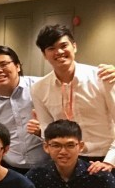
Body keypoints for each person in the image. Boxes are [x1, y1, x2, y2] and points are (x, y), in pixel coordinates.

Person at [31, 24, 115, 171]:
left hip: (107, 157)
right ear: (44, 54)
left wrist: (110, 161)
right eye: (51, 48)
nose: (59, 52)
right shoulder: (39, 88)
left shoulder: (101, 77)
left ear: (74, 46)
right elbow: (47, 128)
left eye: (63, 46)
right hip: (68, 161)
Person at [0, 46, 48, 173]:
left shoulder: (41, 87)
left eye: (3, 64)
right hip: (9, 169)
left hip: (51, 165)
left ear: (17, 66)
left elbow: (65, 123)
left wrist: (44, 130)